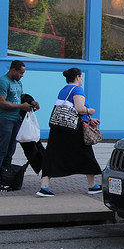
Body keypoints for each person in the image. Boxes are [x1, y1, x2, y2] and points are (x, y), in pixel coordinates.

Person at [38, 68, 101, 197]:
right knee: (86, 155)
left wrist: (89, 119)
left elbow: (70, 110)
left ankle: (44, 187)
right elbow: (79, 109)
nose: (82, 79)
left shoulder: (63, 90)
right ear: (77, 77)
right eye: (81, 77)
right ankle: (92, 186)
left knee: (52, 155)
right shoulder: (77, 90)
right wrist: (90, 111)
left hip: (58, 128)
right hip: (73, 131)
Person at [0, 60, 40, 188]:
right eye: (21, 73)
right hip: (5, 120)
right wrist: (20, 106)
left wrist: (32, 102)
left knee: (11, 150)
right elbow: (2, 102)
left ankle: (5, 177)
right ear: (13, 70)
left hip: (16, 120)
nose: (22, 75)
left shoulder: (18, 82)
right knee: (2, 150)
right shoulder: (3, 81)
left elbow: (22, 97)